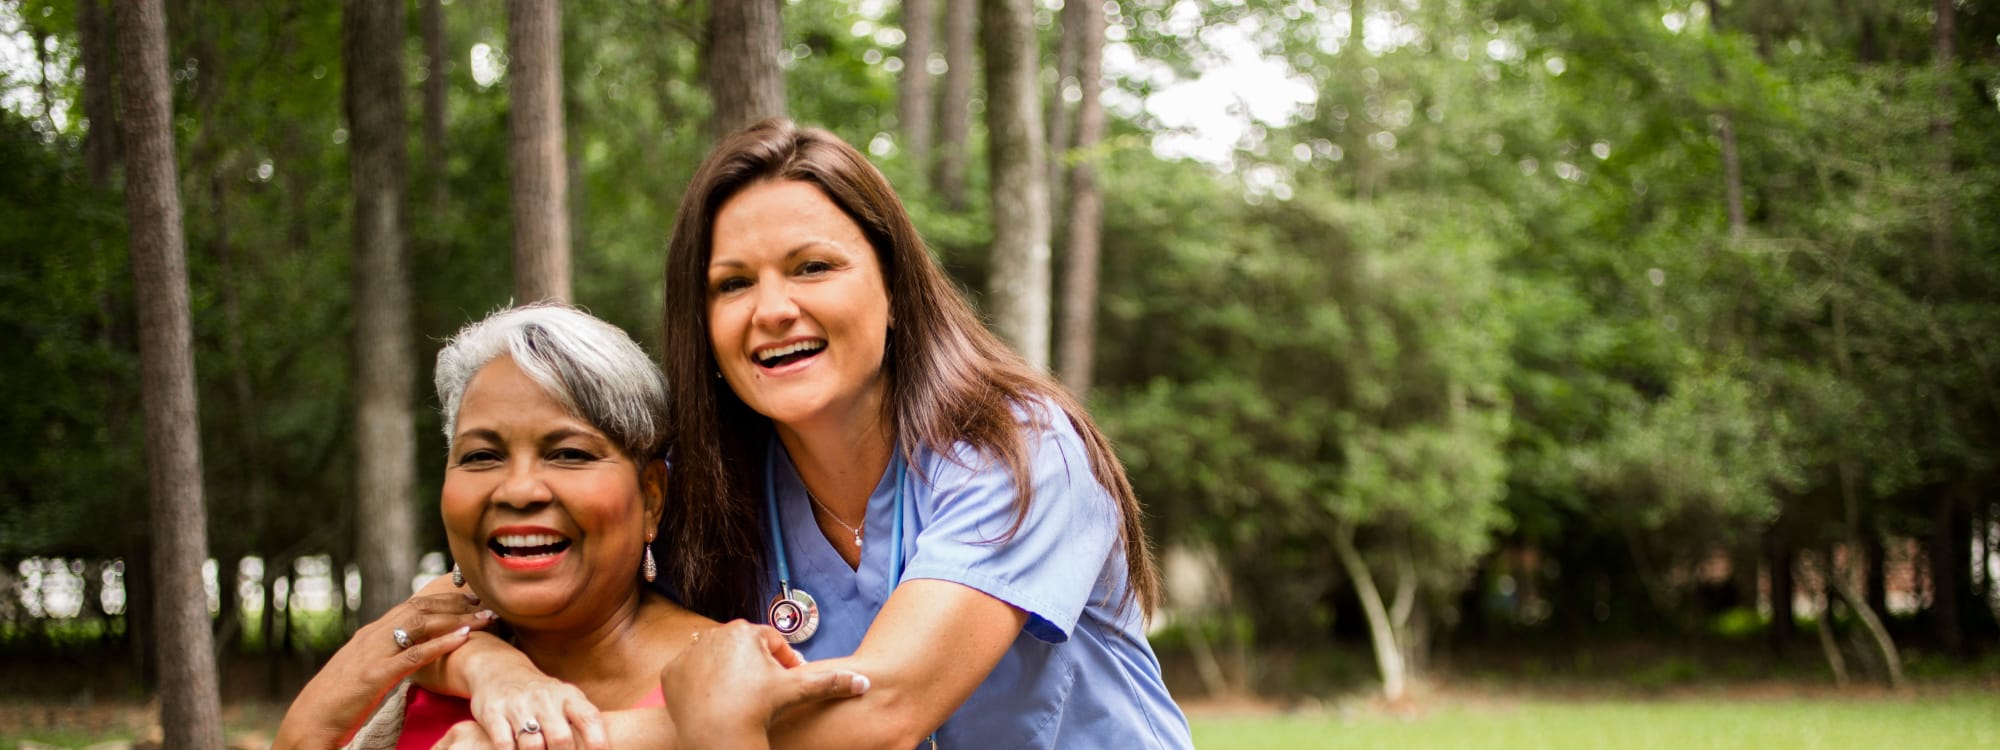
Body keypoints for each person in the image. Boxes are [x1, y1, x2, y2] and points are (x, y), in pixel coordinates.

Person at [428, 120, 1195, 749]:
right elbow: (468, 600)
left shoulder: (1021, 450)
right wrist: (497, 674)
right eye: (733, 283)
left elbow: (883, 708)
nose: (771, 309)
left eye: (811, 267)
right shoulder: (706, 486)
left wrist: (560, 742)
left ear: (894, 287)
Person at [273, 304, 866, 750]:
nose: (519, 490)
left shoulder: (728, 684)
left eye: (570, 454)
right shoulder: (421, 662)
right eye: (481, 456)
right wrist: (486, 666)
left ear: (651, 497)